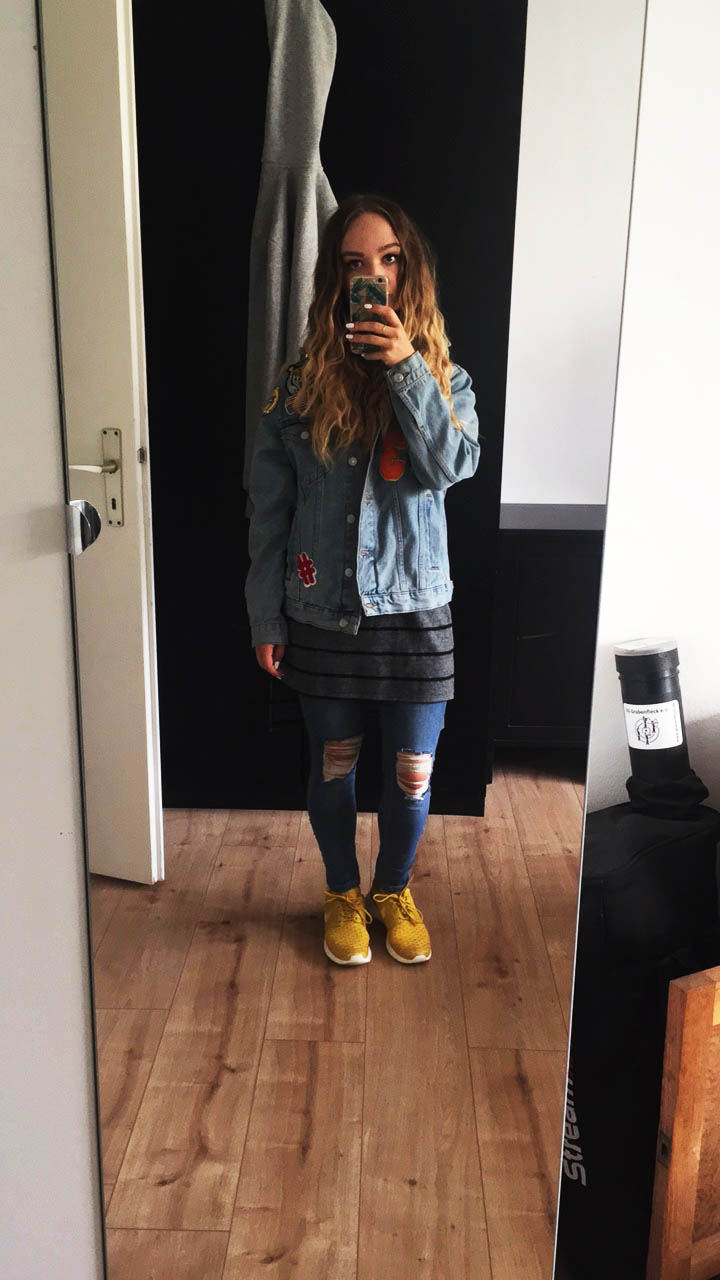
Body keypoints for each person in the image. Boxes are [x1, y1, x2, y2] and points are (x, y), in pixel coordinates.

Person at [245, 193, 481, 968]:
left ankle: (393, 890)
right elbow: (269, 509)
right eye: (354, 263)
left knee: (413, 777)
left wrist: (406, 367)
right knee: (334, 764)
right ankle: (342, 891)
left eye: (387, 260)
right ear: (334, 279)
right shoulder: (299, 387)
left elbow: (449, 466)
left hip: (417, 614)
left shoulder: (448, 381)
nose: (370, 276)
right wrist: (265, 616)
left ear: (409, 273)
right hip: (323, 612)